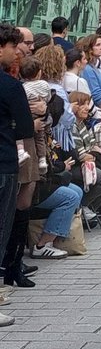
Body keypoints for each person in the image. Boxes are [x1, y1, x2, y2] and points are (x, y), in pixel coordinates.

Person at [0, 25, 36, 326]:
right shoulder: (10, 86)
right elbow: (25, 129)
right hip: (3, 164)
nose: (16, 53)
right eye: (13, 47)